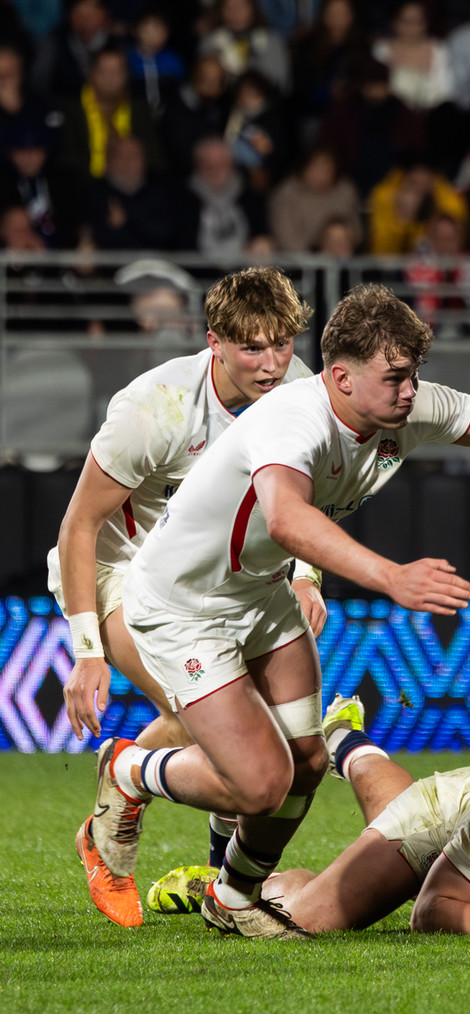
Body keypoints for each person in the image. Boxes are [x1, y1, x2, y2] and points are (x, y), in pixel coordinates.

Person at [88, 284, 470, 939]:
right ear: (341, 377)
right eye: (395, 378)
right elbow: (288, 519)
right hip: (185, 605)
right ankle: (126, 771)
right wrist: (391, 577)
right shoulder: (295, 419)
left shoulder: (400, 407)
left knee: (310, 762)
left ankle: (232, 895)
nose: (410, 391)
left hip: (257, 594)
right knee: (263, 785)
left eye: (414, 376)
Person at [61, 267, 321, 929]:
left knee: (251, 733)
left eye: (283, 344)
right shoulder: (155, 409)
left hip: (217, 579)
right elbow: (79, 526)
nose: (271, 364)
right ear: (215, 343)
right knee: (201, 710)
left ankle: (207, 869)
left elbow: (289, 499)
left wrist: (305, 576)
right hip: (128, 575)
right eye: (252, 348)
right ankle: (115, 805)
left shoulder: (296, 391)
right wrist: (87, 649)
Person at [150, 708, 470, 937]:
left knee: (389, 806)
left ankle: (344, 738)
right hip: (450, 814)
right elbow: (429, 911)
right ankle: (233, 885)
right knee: (310, 920)